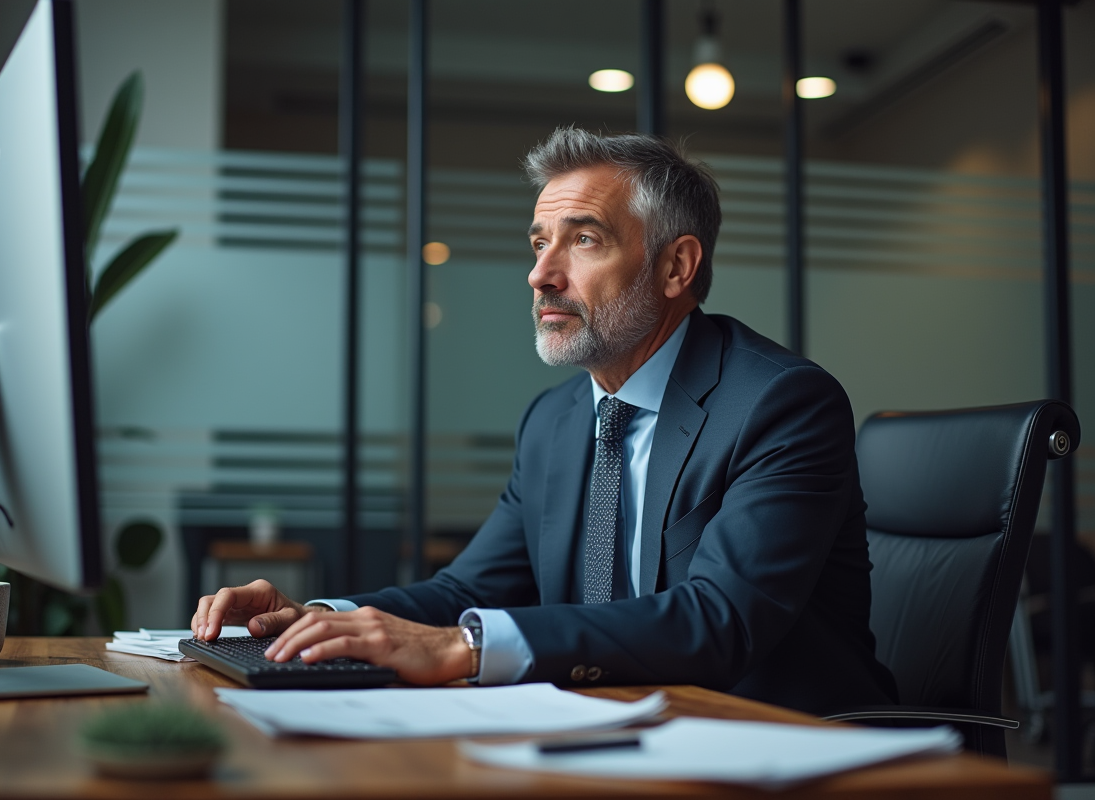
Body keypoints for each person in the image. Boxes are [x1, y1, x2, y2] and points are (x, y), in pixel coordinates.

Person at [191, 128, 898, 715]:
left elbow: (719, 619)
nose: (541, 275)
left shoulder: (781, 403)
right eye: (538, 243)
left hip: (775, 742)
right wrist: (321, 618)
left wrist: (465, 648)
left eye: (583, 240)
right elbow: (468, 592)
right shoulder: (555, 419)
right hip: (604, 732)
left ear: (676, 267)